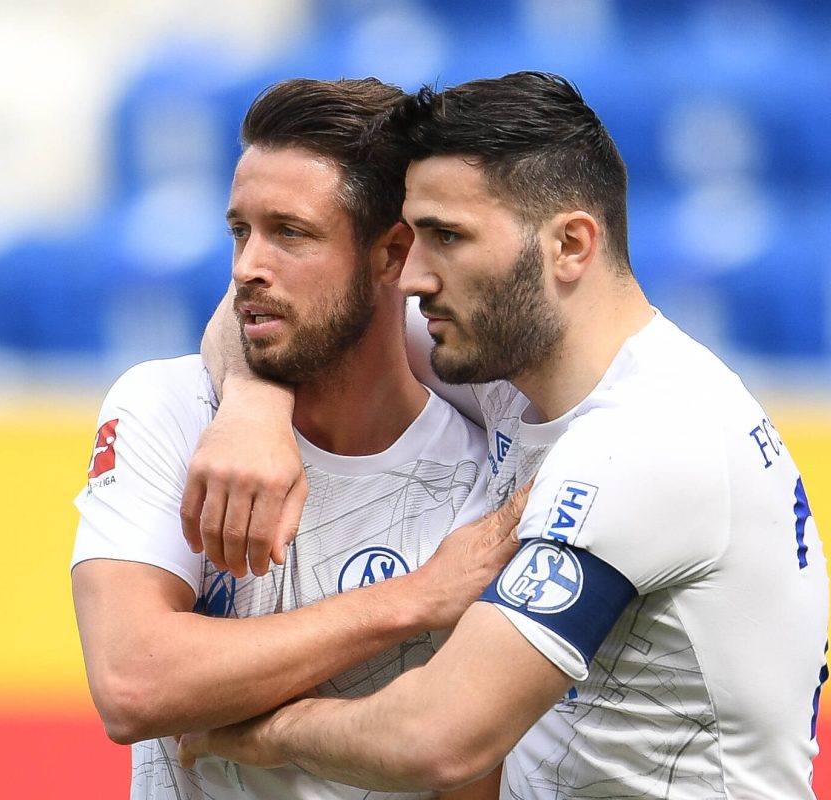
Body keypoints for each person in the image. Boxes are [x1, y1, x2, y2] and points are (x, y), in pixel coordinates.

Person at [177, 72, 831, 799]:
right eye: (414, 237)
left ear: (570, 246)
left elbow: (438, 736)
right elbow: (282, 307)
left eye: (448, 238)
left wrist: (258, 735)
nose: (414, 277)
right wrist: (253, 407)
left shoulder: (646, 442)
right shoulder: (519, 368)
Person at [70, 77, 522, 800]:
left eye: (290, 233)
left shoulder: (488, 478)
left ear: (391, 255)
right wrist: (414, 599)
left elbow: (470, 774)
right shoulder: (168, 405)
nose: (248, 265)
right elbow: (132, 681)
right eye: (240, 230)